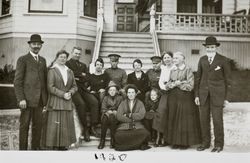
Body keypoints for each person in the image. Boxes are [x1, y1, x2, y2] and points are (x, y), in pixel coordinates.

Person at [195, 36, 231, 153]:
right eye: (208, 47)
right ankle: (205, 143)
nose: (210, 49)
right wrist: (196, 95)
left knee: (217, 120)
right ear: (205, 48)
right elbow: (198, 78)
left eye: (212, 47)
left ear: (216, 47)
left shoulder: (223, 60)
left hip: (218, 96)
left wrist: (226, 98)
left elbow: (228, 80)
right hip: (203, 95)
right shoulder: (202, 60)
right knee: (203, 120)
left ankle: (219, 144)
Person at [14, 34, 48, 150]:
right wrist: (21, 99)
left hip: (40, 101)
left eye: (39, 44)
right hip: (26, 101)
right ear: (29, 45)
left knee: (37, 126)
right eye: (34, 44)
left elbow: (45, 80)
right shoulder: (23, 59)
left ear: (41, 46)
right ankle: (23, 151)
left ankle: (35, 149)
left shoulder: (43, 61)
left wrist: (45, 100)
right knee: (24, 126)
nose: (36, 46)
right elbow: (17, 82)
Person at [165, 52, 201, 149]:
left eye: (176, 58)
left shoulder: (187, 69)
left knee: (183, 120)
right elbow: (167, 84)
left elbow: (190, 86)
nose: (174, 60)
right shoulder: (173, 70)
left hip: (184, 98)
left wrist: (178, 84)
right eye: (174, 58)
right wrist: (174, 84)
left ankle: (184, 143)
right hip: (173, 97)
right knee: (173, 118)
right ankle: (175, 142)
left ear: (182, 59)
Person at [43, 50, 77, 150]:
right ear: (57, 57)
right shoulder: (52, 70)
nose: (63, 59)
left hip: (67, 101)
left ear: (67, 59)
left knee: (65, 124)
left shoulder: (70, 71)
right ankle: (53, 145)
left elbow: (75, 86)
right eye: (61, 57)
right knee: (54, 124)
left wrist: (70, 92)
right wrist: (63, 94)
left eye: (65, 57)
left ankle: (63, 145)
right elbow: (50, 87)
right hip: (56, 101)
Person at [66, 47, 100, 138]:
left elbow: (87, 77)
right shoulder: (67, 63)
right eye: (76, 53)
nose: (77, 55)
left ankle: (93, 126)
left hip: (83, 88)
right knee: (81, 104)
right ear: (72, 53)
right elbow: (70, 75)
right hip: (74, 89)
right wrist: (81, 75)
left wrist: (79, 76)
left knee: (94, 102)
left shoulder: (83, 65)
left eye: (79, 54)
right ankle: (85, 128)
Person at [114, 84, 151, 151]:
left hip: (137, 125)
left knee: (145, 133)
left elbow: (141, 115)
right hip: (125, 125)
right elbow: (119, 116)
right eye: (129, 92)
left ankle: (131, 146)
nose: (131, 94)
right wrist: (132, 120)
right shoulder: (123, 103)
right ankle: (137, 145)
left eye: (132, 92)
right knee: (118, 135)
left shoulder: (140, 103)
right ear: (127, 94)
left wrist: (129, 115)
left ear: (136, 94)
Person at [152, 51, 175, 146]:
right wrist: (165, 87)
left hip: (174, 93)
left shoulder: (175, 67)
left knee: (171, 114)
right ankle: (159, 135)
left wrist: (171, 85)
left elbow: (176, 80)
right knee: (160, 112)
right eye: (165, 58)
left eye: (168, 57)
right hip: (165, 92)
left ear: (172, 58)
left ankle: (167, 138)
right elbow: (161, 82)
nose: (167, 59)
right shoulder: (164, 68)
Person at [98, 81, 123, 149]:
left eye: (114, 90)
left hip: (116, 116)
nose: (112, 91)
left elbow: (122, 108)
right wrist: (107, 111)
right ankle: (102, 140)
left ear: (116, 91)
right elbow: (103, 109)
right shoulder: (106, 98)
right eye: (110, 90)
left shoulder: (120, 98)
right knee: (105, 119)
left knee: (112, 118)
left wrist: (116, 112)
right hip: (107, 114)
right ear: (108, 91)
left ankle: (113, 140)